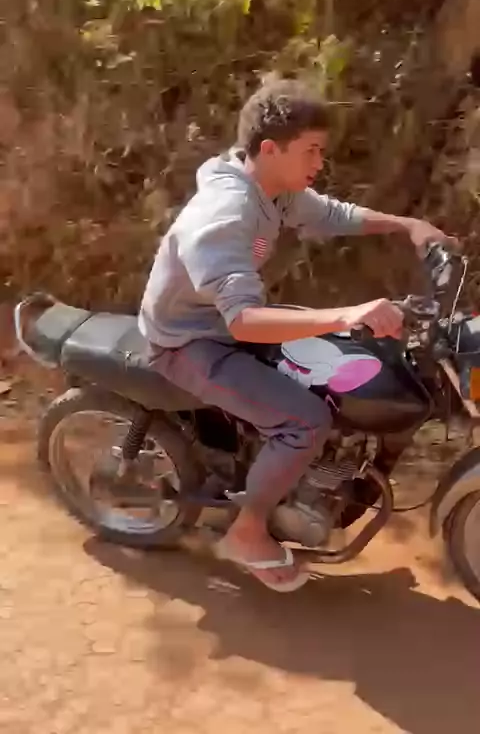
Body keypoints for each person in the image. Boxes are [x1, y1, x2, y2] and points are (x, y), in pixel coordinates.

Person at [139, 78, 453, 592]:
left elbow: (331, 214)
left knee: (342, 358)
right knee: (305, 419)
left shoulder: (272, 188)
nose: (319, 163)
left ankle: (302, 480)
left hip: (224, 321)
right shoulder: (224, 214)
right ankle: (247, 531)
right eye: (311, 151)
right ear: (269, 149)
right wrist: (348, 313)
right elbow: (244, 320)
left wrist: (408, 225)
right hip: (189, 340)